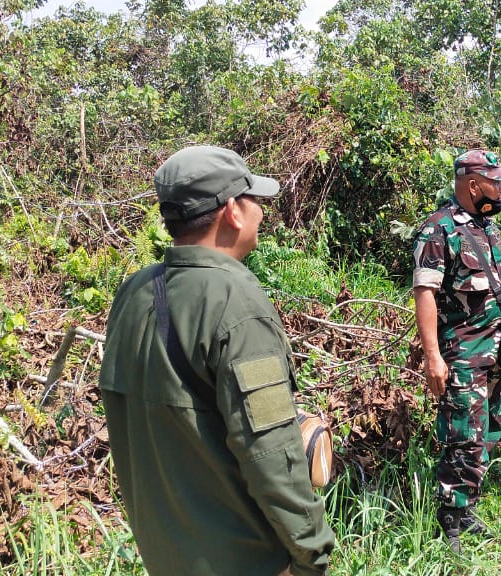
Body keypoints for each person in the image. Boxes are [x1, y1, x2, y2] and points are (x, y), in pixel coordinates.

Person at [99, 146, 335, 575]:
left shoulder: (134, 293)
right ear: (232, 211)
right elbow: (269, 449)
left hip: (165, 555)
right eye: (255, 202)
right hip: (245, 558)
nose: (262, 213)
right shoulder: (235, 304)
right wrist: (312, 554)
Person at [412, 149, 501, 552]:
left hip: (490, 358)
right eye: (495, 180)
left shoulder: (487, 229)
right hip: (461, 357)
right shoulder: (438, 229)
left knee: (488, 433)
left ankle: (468, 507)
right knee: (461, 437)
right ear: (474, 184)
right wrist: (433, 356)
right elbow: (425, 292)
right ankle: (450, 522)